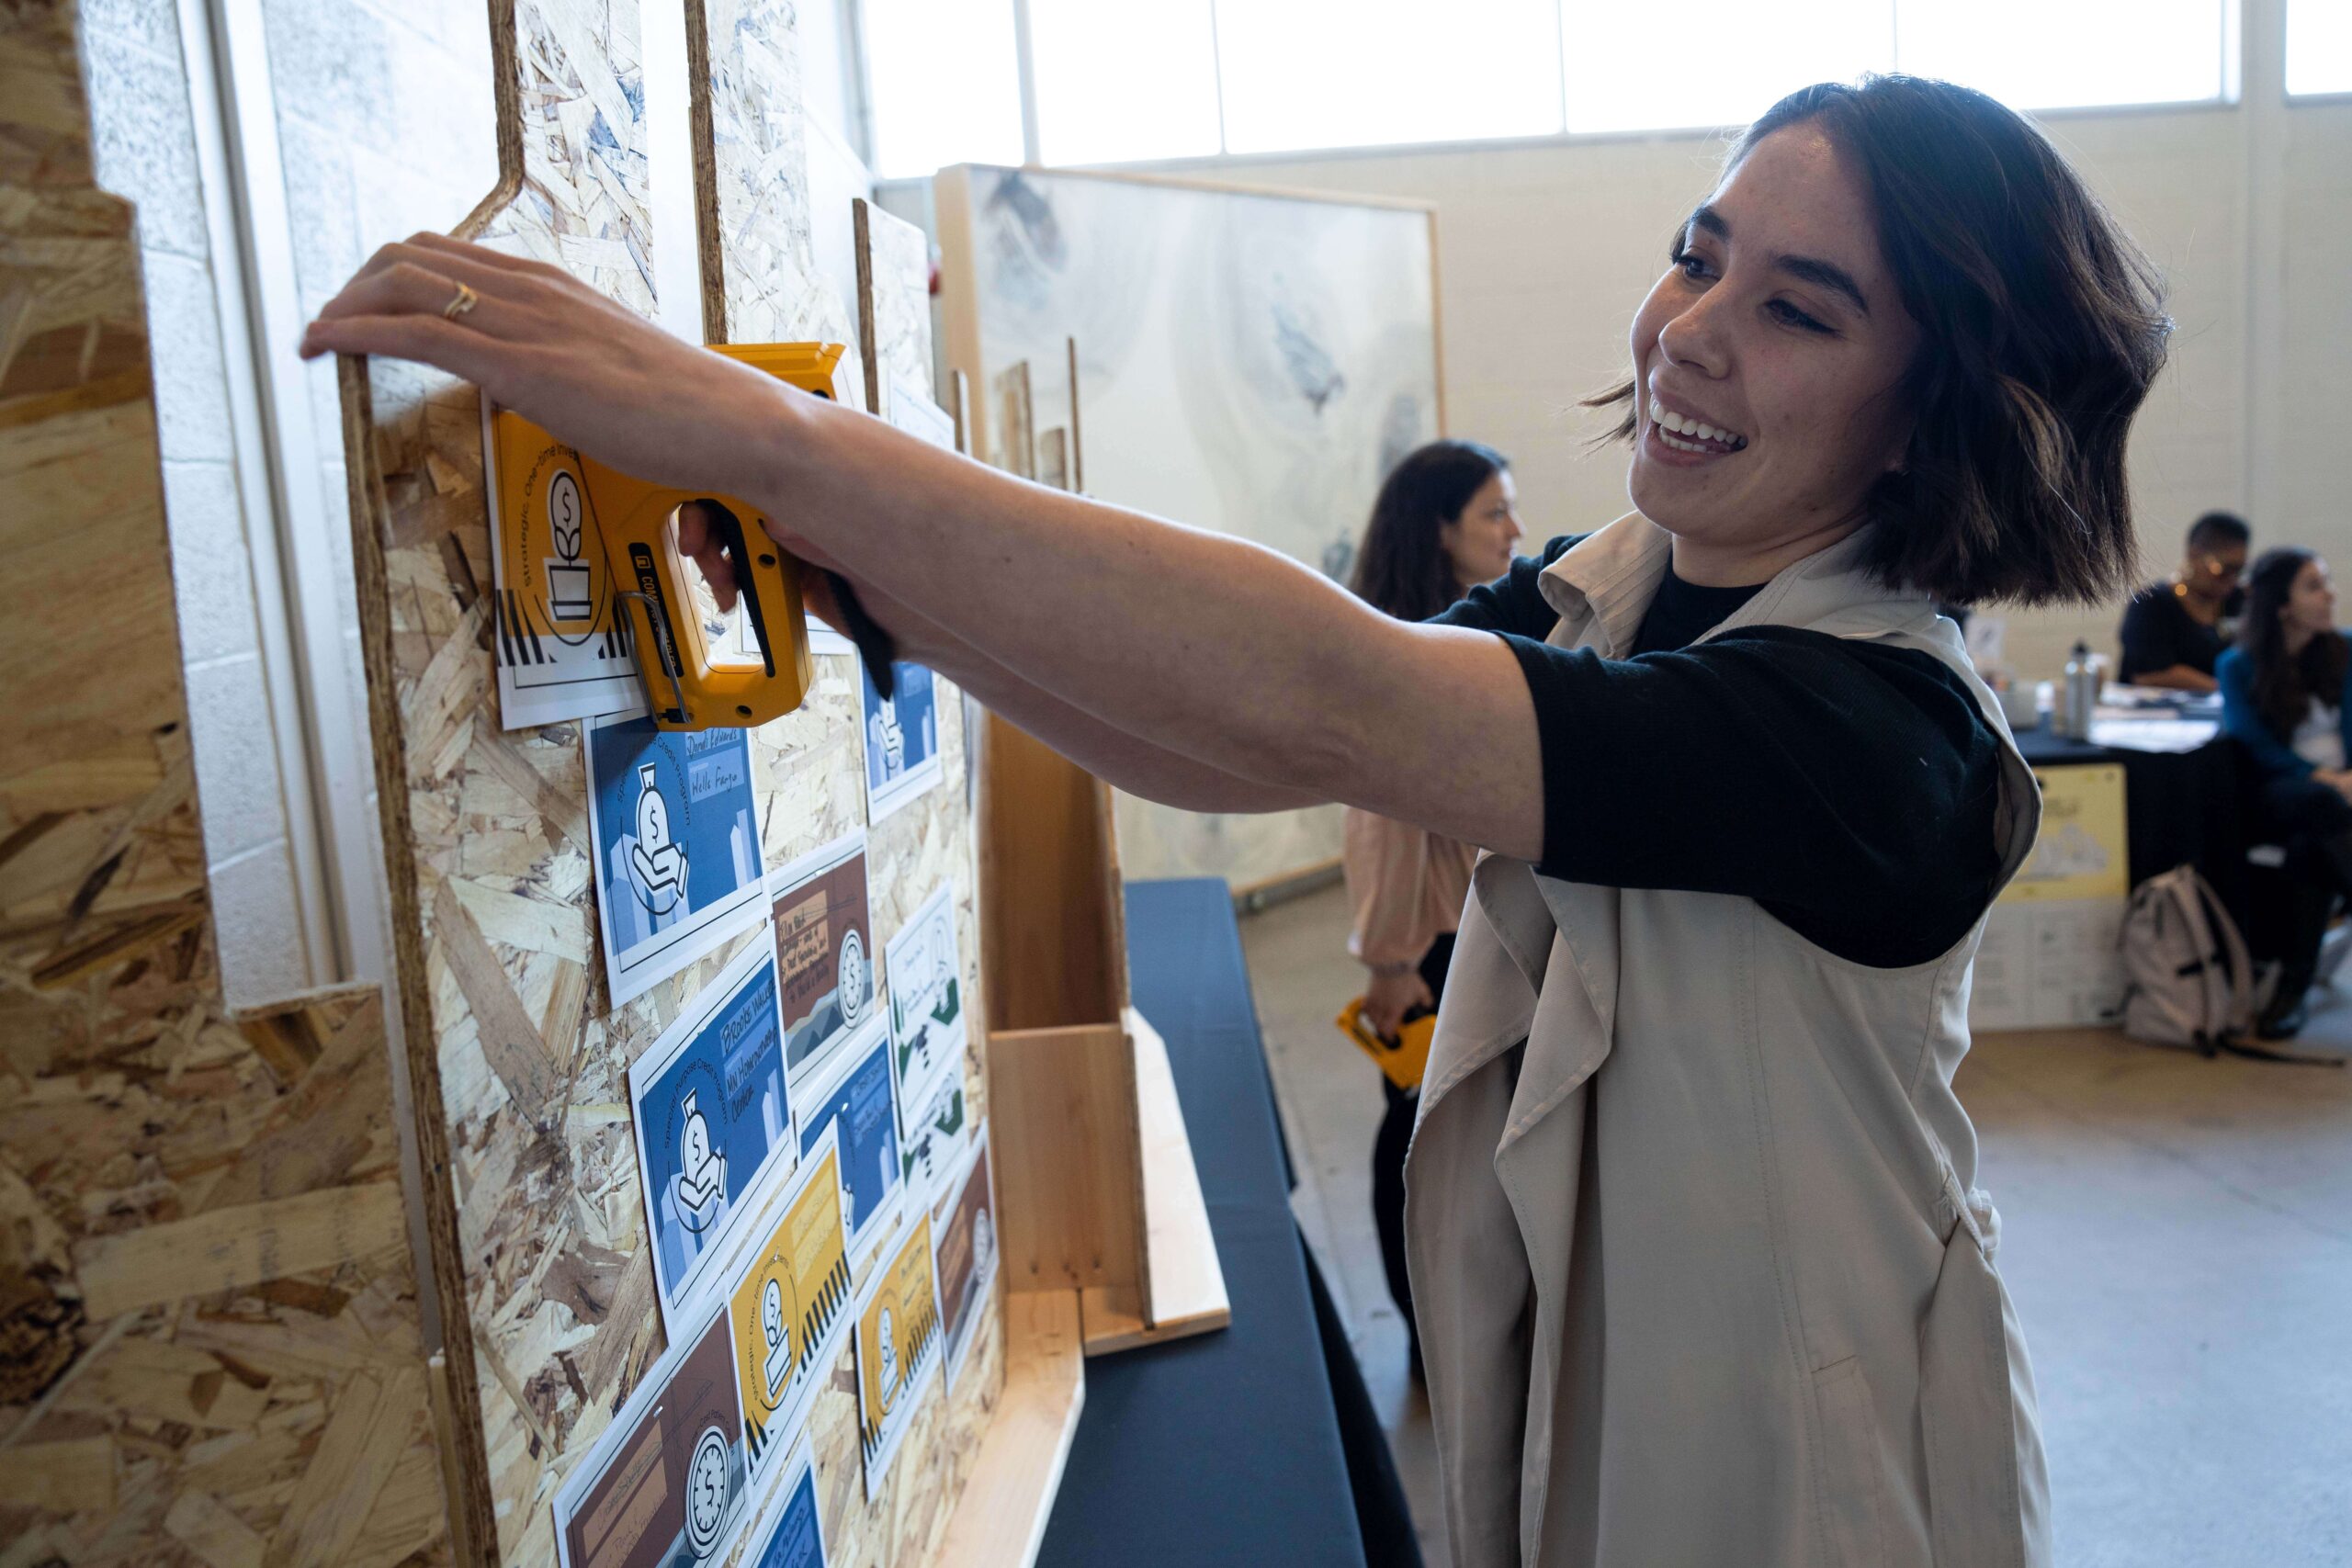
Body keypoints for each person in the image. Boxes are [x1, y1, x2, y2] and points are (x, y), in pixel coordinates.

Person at [303, 71, 2168, 1568]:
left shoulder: (1873, 734)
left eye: (1796, 308)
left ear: (1935, 416)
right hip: (1627, 1395)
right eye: (1698, 254)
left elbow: (1330, 693)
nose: (1689, 330)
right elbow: (1231, 732)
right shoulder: (1623, 589)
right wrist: (848, 567)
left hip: (1811, 1466)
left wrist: (785, 449)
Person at [1343, 437, 1521, 1378]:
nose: (1513, 530)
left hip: (1469, 930)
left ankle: (1460, 1324)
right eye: (1495, 512)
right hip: (1431, 947)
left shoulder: (1458, 631)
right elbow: (1379, 821)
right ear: (1441, 527)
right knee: (1416, 1134)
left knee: (1457, 1135)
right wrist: (1387, 958)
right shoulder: (1403, 649)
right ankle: (1425, 1329)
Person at [2218, 548, 2352, 1038]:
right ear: (2281, 604)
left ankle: (2290, 993)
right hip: (2284, 792)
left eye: (2327, 581)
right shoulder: (2238, 664)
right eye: (2313, 586)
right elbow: (2254, 741)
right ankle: (2290, 993)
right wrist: (2327, 779)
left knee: (2310, 849)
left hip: (2338, 804)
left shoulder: (2346, 650)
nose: (2329, 594)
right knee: (2319, 806)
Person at [2117, 511, 2251, 691]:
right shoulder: (2152, 603)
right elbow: (2149, 674)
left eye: (2239, 570)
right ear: (2194, 555)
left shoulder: (2238, 600)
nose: (2232, 579)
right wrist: (2226, 690)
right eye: (2223, 569)